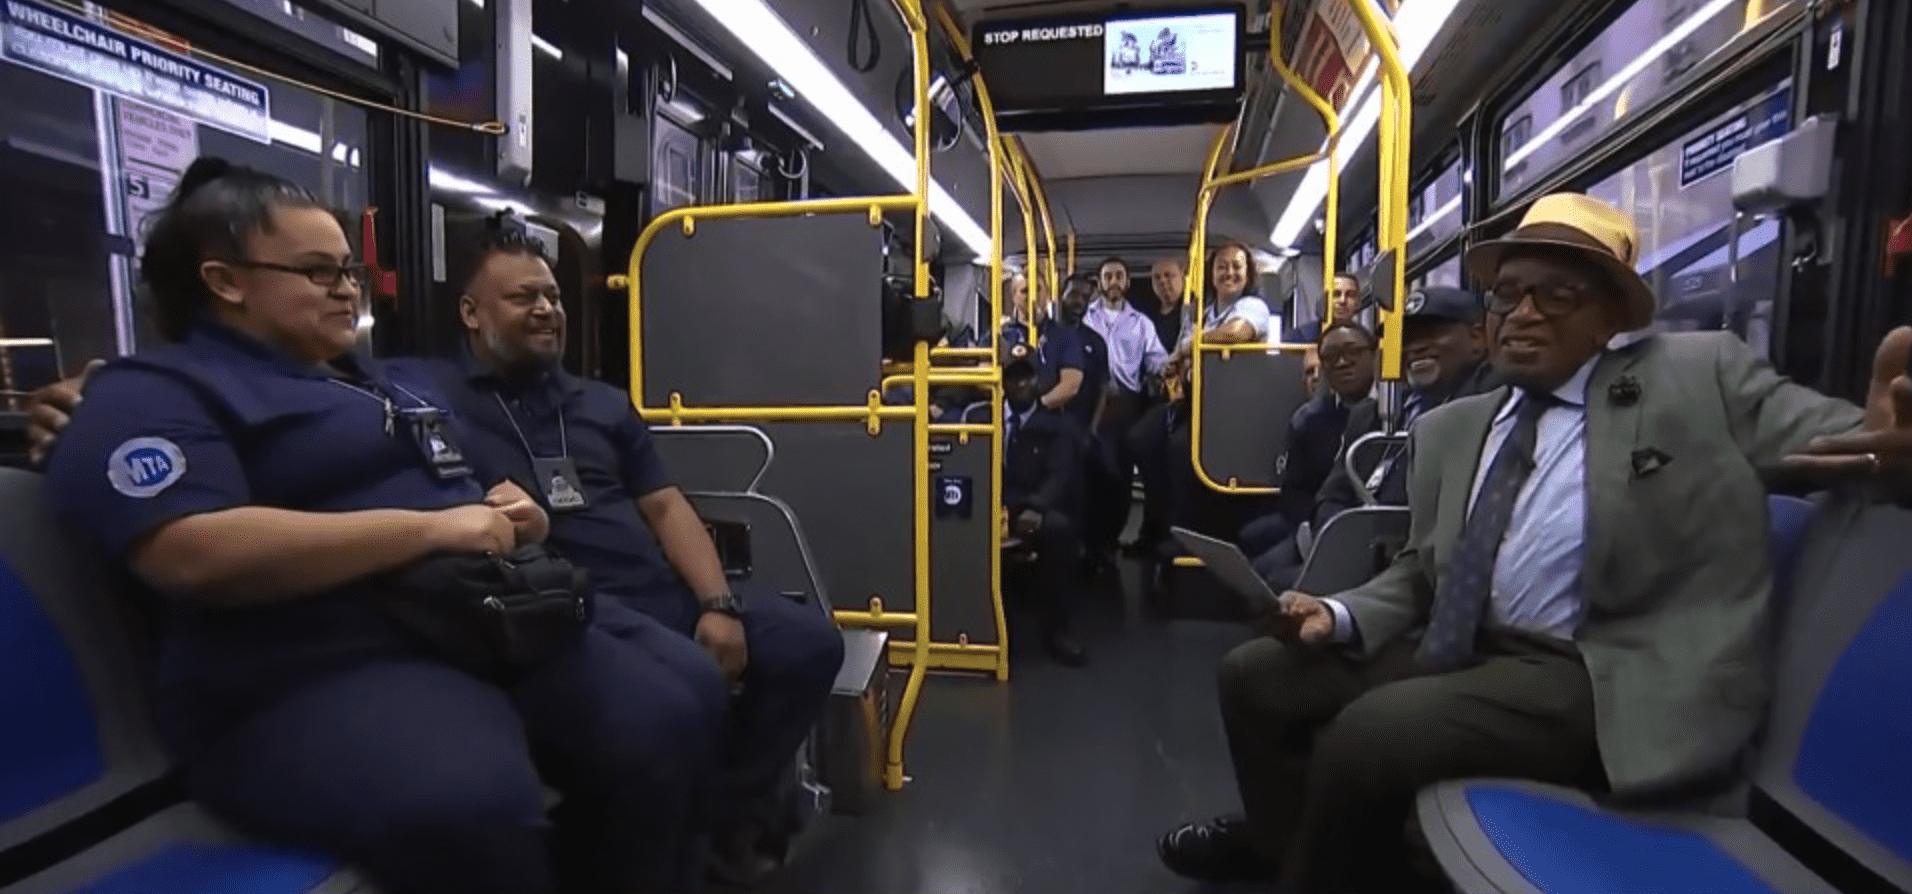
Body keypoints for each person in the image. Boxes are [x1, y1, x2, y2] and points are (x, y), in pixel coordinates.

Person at [1155, 192, 1912, 894]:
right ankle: (1285, 845)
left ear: (1609, 317)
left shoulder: (1696, 376)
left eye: (1556, 295)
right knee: (1255, 674)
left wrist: (1891, 451)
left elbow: (1852, 444)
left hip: (1595, 667)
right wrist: (1340, 614)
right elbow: (1422, 568)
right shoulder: (1451, 428)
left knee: (1368, 737)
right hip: (1465, 642)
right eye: (1508, 294)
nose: (1522, 313)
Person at [40, 158, 723, 894]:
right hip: (316, 666)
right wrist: (430, 531)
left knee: (670, 713)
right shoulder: (153, 394)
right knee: (470, 805)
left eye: (350, 272)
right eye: (318, 272)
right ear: (226, 282)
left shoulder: (382, 383)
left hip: (478, 621)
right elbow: (190, 551)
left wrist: (513, 509)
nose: (347, 290)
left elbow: (468, 481)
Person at [407, 219, 846, 877]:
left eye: (553, 296)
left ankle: (725, 813)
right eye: (523, 297)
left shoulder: (602, 404)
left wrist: (717, 604)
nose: (547, 310)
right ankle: (688, 834)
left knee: (811, 645)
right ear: (472, 313)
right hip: (572, 613)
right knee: (675, 699)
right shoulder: (432, 399)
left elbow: (666, 507)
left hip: (658, 593)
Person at [1237, 320, 1377, 559]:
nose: (1342, 362)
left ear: (1375, 356)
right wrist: (1313, 528)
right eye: (1331, 357)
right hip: (1319, 523)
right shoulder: (1310, 421)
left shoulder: (1393, 413)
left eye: (1353, 352)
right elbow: (1295, 490)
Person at [1000, 343, 1088, 666]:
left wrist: (1036, 507)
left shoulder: (1057, 427)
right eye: (1014, 377)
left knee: (1059, 531)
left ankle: (1056, 632)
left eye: (1027, 377)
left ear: (1038, 380)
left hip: (1028, 507)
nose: (1021, 384)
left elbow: (1059, 476)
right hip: (987, 506)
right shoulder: (981, 417)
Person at [1284, 272, 1363, 343]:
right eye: (1335, 294)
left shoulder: (1364, 340)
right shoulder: (1296, 338)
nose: (1342, 301)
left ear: (1357, 302)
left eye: (1350, 295)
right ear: (1325, 300)